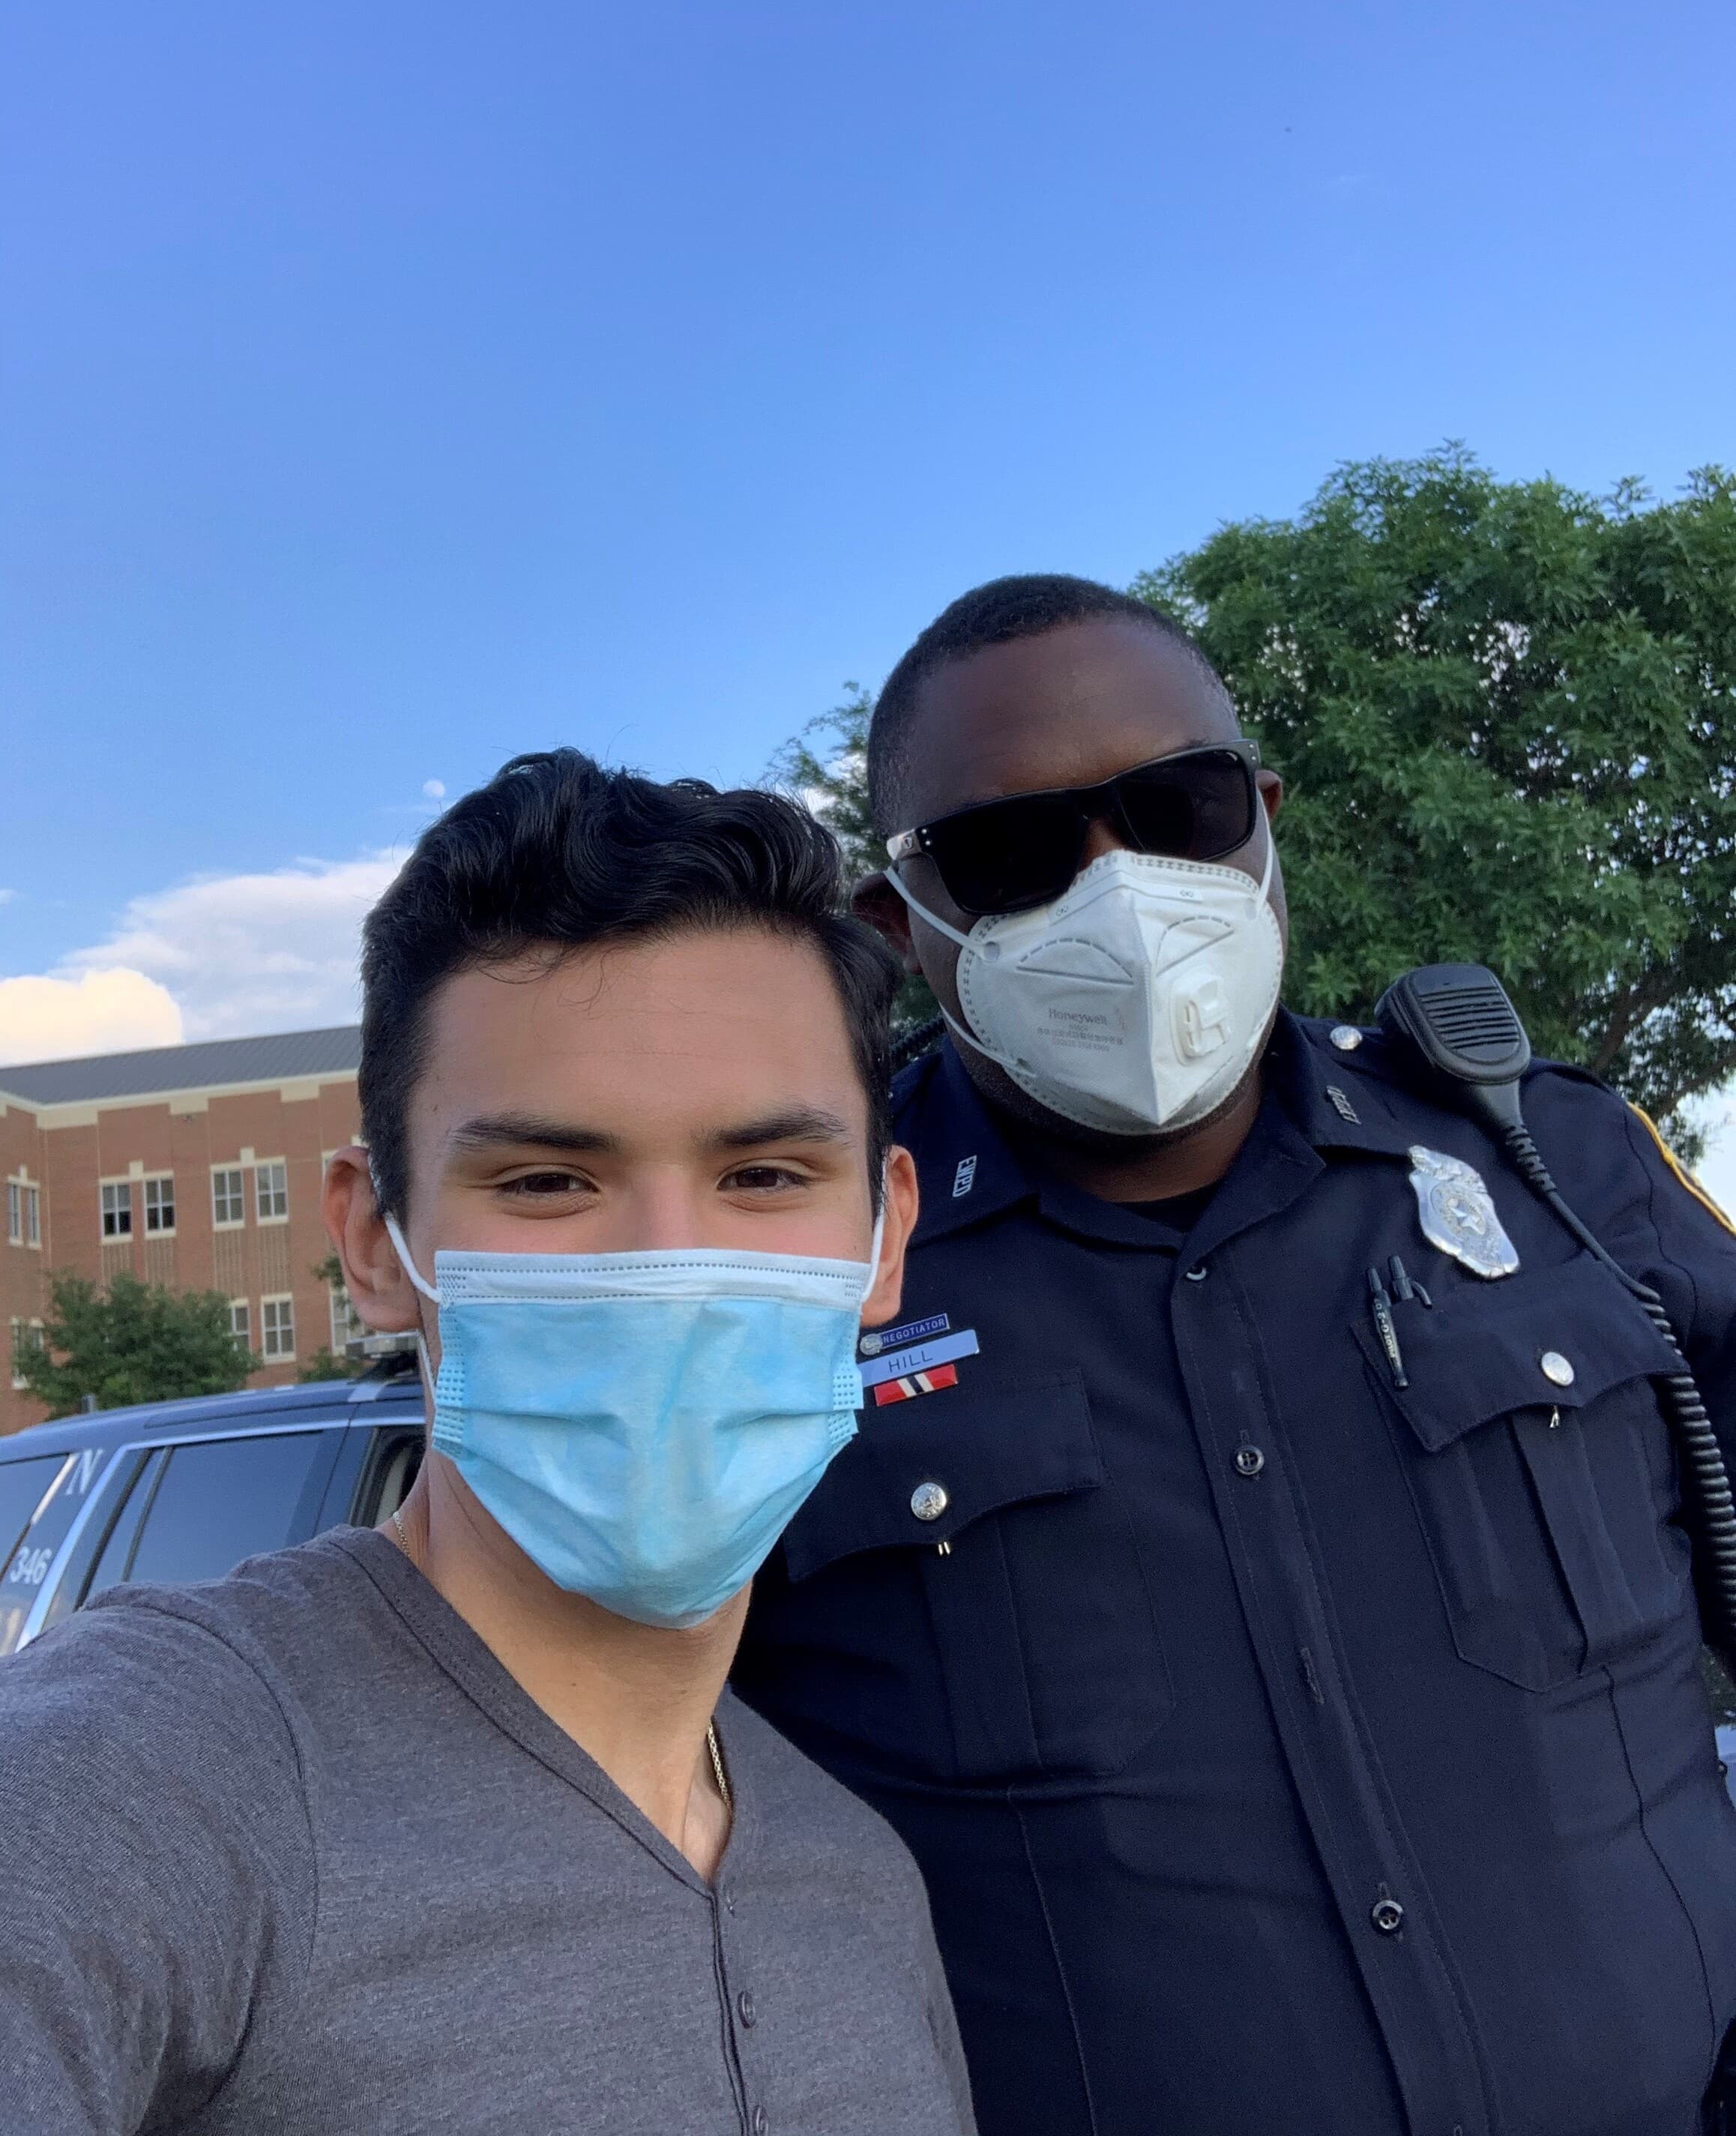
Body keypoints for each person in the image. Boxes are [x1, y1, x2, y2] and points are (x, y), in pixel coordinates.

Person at [734, 574, 1736, 2136]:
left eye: (1177, 807)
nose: (1117, 889)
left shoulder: (1557, 1165)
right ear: (898, 918)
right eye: (1008, 850)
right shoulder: (790, 1270)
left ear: (1264, 818)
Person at [0, 750, 977, 2136]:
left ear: (884, 1240)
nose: (669, 1267)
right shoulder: (146, 1782)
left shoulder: (860, 1881)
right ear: (372, 1245)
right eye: (547, 1181)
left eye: (763, 1175)